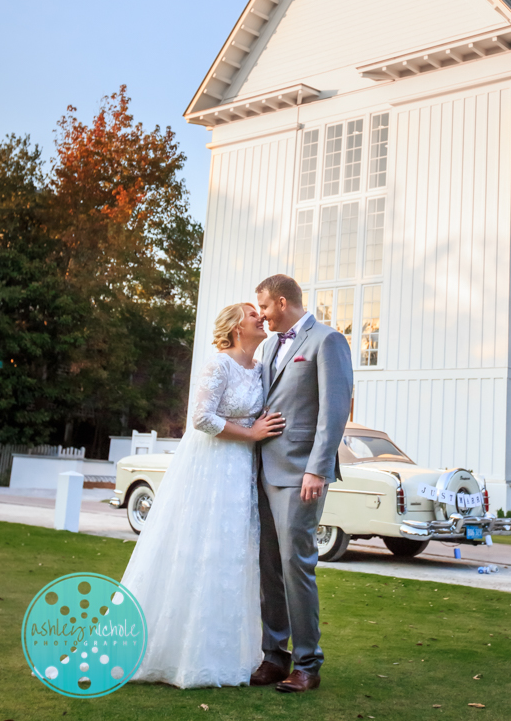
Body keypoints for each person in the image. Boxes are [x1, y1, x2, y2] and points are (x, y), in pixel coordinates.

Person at [121, 302, 285, 689]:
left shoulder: (260, 370)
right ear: (234, 328)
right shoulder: (220, 364)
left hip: (242, 472)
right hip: (211, 467)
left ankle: (226, 654)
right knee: (201, 547)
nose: (260, 316)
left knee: (233, 555)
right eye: (252, 314)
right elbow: (201, 418)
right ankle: (176, 651)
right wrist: (250, 434)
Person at [251, 274, 353, 693]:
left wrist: (317, 468)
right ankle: (275, 657)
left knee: (297, 566)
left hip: (300, 474)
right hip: (261, 469)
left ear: (281, 301)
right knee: (269, 568)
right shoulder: (270, 344)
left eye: (264, 308)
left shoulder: (327, 341)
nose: (260, 317)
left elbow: (335, 409)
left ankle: (308, 664)